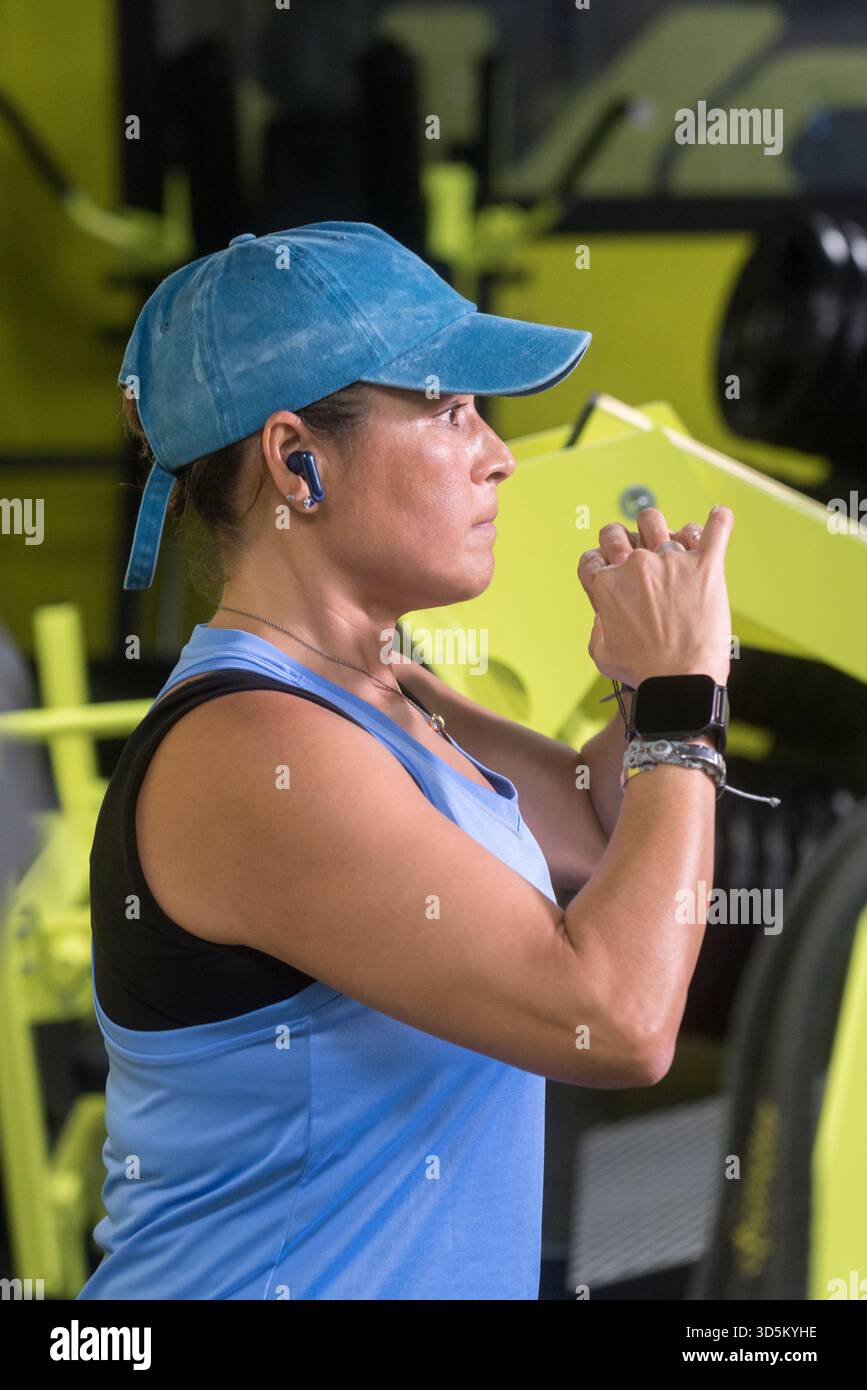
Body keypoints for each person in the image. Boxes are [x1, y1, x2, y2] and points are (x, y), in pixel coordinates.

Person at [78, 220, 733, 1301]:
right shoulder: (251, 751)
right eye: (451, 408)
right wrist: (679, 701)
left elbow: (595, 825)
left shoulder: (392, 687)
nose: (499, 453)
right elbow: (614, 1017)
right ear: (299, 459)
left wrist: (653, 672)